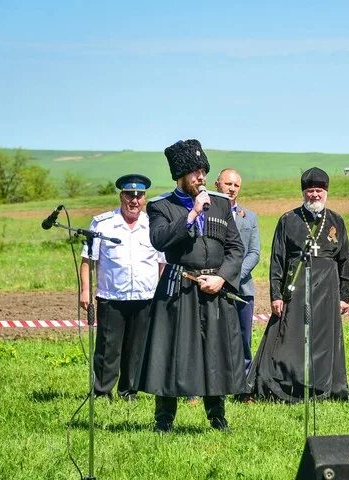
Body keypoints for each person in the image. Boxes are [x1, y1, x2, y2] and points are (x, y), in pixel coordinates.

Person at [137, 139, 246, 433]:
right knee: (171, 351)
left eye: (203, 171)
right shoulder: (161, 206)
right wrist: (193, 214)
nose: (201, 177)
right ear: (180, 176)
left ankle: (217, 415)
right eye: (195, 172)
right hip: (179, 288)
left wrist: (222, 277)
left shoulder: (221, 204)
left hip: (215, 288)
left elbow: (236, 248)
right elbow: (159, 240)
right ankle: (164, 419)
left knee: (216, 351)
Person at [247, 168, 349, 402]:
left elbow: (345, 260)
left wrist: (344, 295)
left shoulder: (336, 221)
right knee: (287, 338)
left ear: (326, 192)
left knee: (324, 339)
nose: (315, 195)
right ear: (304, 193)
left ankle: (324, 387)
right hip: (295, 289)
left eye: (319, 191)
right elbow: (277, 259)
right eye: (310, 191)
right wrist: (276, 294)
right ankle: (285, 385)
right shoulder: (288, 219)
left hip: (327, 291)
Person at [80, 174, 164, 402]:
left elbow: (161, 263)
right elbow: (88, 259)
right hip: (111, 296)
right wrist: (85, 290)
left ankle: (129, 391)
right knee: (108, 348)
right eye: (130, 195)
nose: (134, 200)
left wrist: (160, 294)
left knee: (136, 349)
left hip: (144, 296)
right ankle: (101, 391)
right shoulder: (103, 224)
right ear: (121, 196)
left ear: (144, 198)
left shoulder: (153, 225)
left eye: (139, 196)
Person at [215, 168, 260, 374]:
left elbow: (254, 253)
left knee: (243, 338)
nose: (232, 189)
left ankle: (244, 385)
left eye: (236, 185)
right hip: (212, 286)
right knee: (213, 337)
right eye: (228, 184)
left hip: (242, 288)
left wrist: (230, 276)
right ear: (217, 184)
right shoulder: (206, 213)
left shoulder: (250, 217)